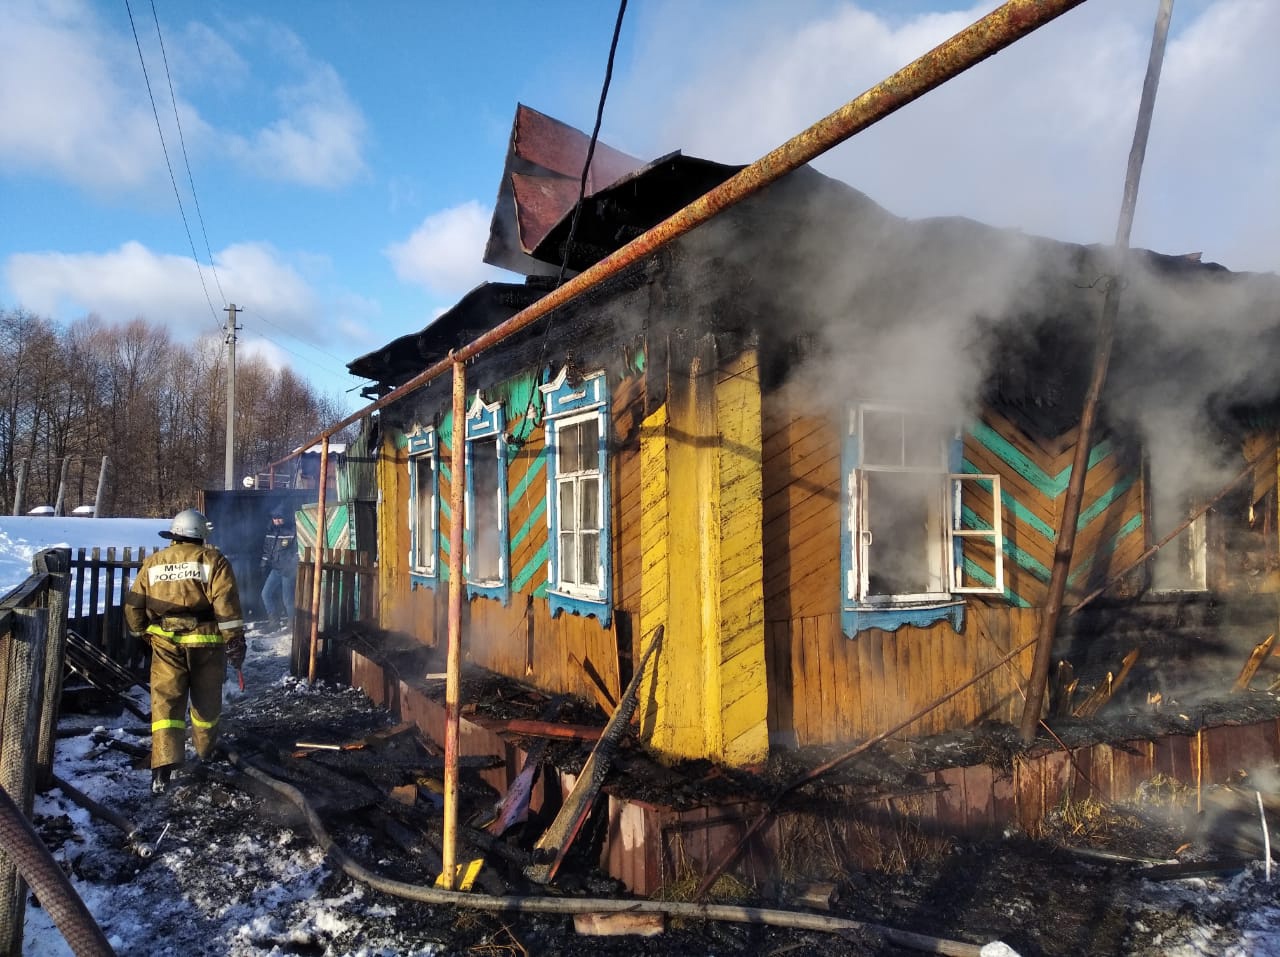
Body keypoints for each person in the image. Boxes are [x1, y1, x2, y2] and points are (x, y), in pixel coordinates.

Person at [124, 508, 246, 794]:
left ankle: (163, 768)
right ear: (202, 534)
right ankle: (204, 752)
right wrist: (234, 640)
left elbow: (133, 604)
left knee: (166, 703)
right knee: (205, 700)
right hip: (206, 642)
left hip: (165, 642)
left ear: (175, 534)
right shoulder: (214, 560)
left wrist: (140, 632)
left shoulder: (153, 563)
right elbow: (226, 604)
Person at [260, 505, 299, 629]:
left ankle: (292, 624)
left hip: (288, 571)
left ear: (285, 518)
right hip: (276, 569)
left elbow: (298, 552)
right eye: (274, 518)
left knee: (287, 599)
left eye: (279, 518)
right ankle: (274, 622)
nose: (276, 520)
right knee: (265, 594)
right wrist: (263, 563)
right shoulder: (270, 531)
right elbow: (267, 550)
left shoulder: (293, 531)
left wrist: (291, 566)